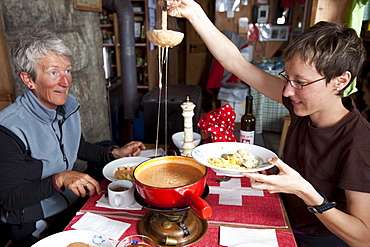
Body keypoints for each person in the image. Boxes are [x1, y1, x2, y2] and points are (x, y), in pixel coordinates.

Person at [166, 1, 370, 246]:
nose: (287, 91)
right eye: (287, 78)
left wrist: (304, 191)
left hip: (318, 239)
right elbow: (237, 64)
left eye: (300, 82)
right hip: (281, 214)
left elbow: (363, 237)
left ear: (340, 81)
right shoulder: (302, 107)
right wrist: (194, 12)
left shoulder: (360, 142)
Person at [0, 29, 145, 247]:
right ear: (28, 79)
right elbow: (9, 198)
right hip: (35, 224)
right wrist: (60, 179)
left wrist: (115, 153)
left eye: (67, 70)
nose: (66, 81)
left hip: (70, 207)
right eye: (53, 73)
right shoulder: (9, 127)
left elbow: (76, 146)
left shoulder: (67, 105)